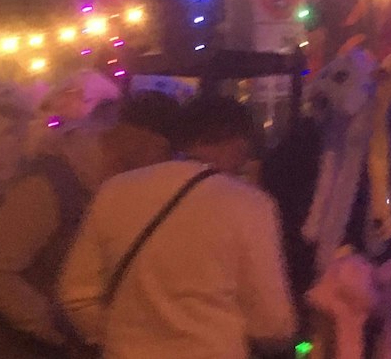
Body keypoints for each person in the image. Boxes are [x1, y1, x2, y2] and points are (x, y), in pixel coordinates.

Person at [59, 96, 295, 359]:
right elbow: (273, 321)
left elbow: (76, 295)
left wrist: (124, 337)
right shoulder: (250, 203)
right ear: (240, 144)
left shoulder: (115, 190)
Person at [0, 93, 182, 358]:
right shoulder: (48, 185)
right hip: (17, 346)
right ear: (136, 139)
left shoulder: (112, 187)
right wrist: (64, 328)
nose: (163, 163)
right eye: (164, 151)